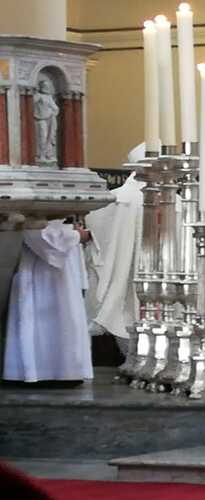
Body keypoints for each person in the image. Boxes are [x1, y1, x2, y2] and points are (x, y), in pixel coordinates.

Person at [3, 219, 93, 386]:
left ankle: (65, 371)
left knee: (67, 319)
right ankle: (41, 372)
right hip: (38, 270)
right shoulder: (31, 208)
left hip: (63, 270)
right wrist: (75, 235)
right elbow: (35, 232)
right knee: (41, 321)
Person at [83, 143, 146, 356]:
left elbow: (96, 226)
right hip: (140, 265)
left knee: (127, 305)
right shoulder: (174, 199)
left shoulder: (118, 197)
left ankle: (136, 358)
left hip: (131, 265)